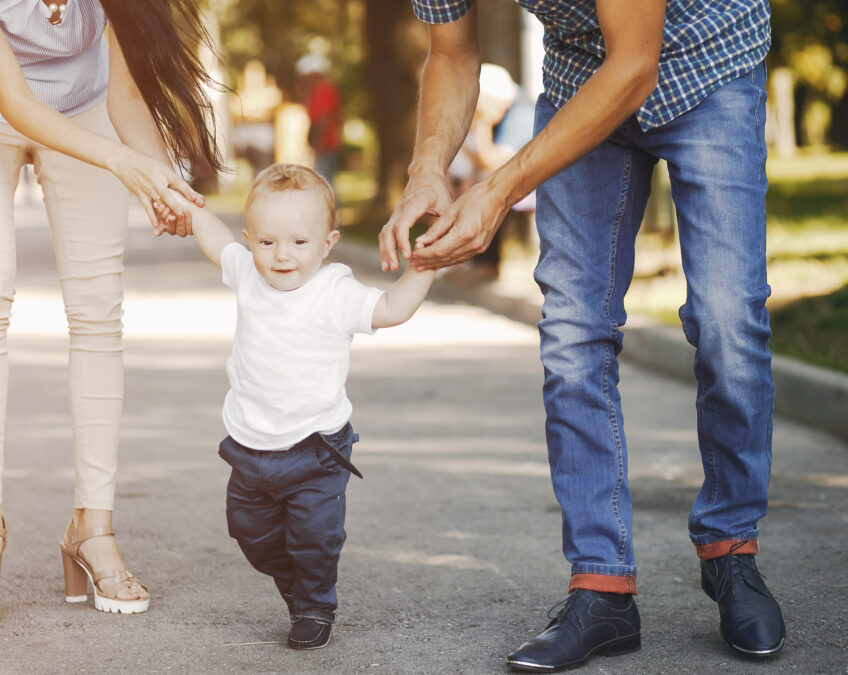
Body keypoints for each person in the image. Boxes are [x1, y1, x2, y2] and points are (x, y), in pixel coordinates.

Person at [380, 0, 784, 670]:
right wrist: (428, 168)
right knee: (572, 327)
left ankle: (731, 549)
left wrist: (500, 188)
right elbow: (451, 53)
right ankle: (602, 583)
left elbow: (635, 63)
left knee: (727, 317)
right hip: (580, 77)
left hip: (708, 63)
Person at [0, 0, 222, 616]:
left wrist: (167, 183)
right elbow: (15, 102)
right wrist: (118, 159)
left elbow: (130, 97)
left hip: (85, 102)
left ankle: (94, 528)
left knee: (97, 306)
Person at [180, 163, 434, 649]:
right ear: (250, 239)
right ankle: (296, 588)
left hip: (316, 448)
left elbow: (393, 310)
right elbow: (214, 239)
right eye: (267, 241)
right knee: (249, 532)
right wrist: (189, 207)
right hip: (250, 447)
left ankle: (315, 603)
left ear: (328, 242)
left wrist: (425, 265)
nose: (281, 256)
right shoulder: (247, 273)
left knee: (314, 538)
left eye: (299, 242)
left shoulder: (334, 292)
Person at [446, 63, 534, 282]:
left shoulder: (521, 115)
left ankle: (485, 264)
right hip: (507, 178)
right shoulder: (502, 107)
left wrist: (481, 125)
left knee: (485, 191)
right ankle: (461, 258)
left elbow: (493, 161)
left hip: (533, 186)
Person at [296, 55, 342, 184]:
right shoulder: (316, 91)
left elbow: (324, 119)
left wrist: (318, 145)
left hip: (326, 145)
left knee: (324, 182)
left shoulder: (324, 90)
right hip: (322, 145)